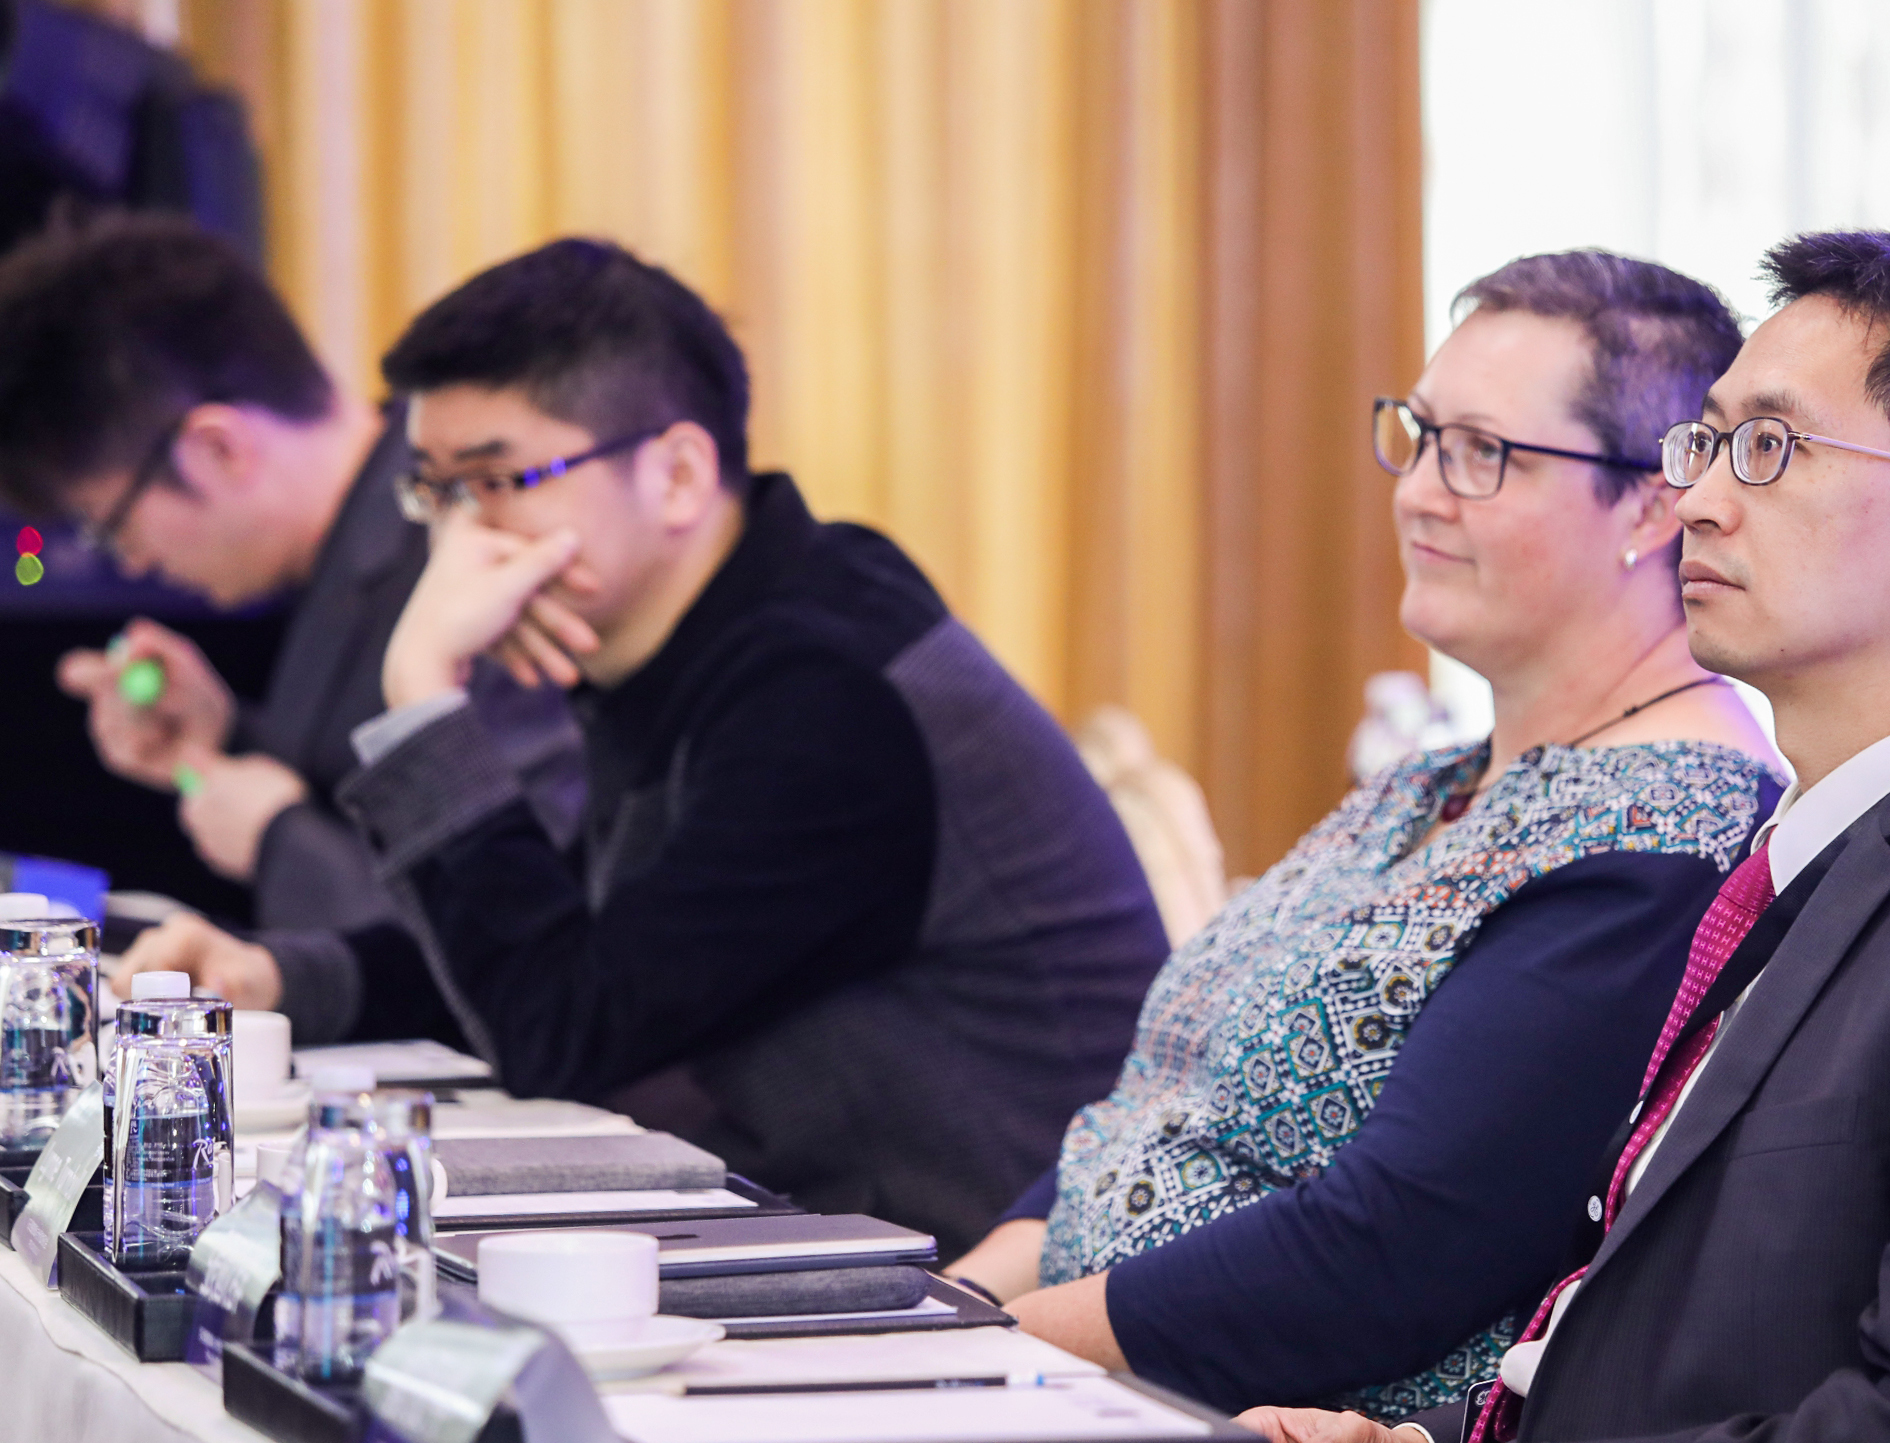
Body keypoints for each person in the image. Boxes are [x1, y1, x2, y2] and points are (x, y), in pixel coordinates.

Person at [1239, 233, 1890, 1443]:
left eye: (1768, 448)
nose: (1695, 501)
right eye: (1703, 444)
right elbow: (1684, 1353)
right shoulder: (1817, 853)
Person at [136, 238, 1170, 1253]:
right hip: (836, 1217)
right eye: (434, 492)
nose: (455, 544)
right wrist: (281, 978)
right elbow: (575, 945)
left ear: (676, 475)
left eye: (497, 482)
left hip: (995, 1274)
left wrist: (421, 696)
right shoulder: (698, 637)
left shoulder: (826, 690)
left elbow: (562, 1032)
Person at [954, 252, 1785, 1418]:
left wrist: (986, 1344)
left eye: (1481, 453)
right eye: (1421, 435)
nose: (1419, 492)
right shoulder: (1437, 777)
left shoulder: (1666, 835)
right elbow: (1154, 1109)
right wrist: (941, 1305)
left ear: (1650, 505)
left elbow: (1389, 1255)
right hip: (1086, 1376)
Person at [0, 214, 579, 1041]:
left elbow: (521, 935)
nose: (131, 561)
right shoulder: (353, 549)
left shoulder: (469, 552)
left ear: (217, 449)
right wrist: (219, 739)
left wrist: (276, 840)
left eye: (109, 524)